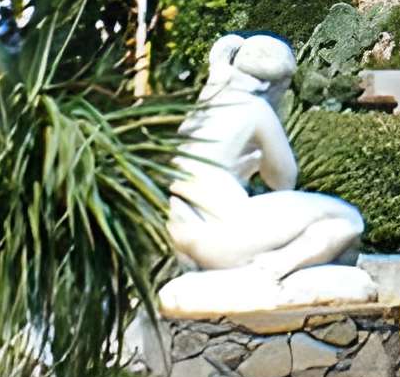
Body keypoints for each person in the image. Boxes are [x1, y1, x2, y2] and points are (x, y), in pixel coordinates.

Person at [159, 34, 376, 315]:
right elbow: (284, 180)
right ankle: (270, 271)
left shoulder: (205, 106)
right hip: (223, 235)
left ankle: (262, 271)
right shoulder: (256, 108)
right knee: (347, 220)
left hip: (183, 232)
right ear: (272, 84)